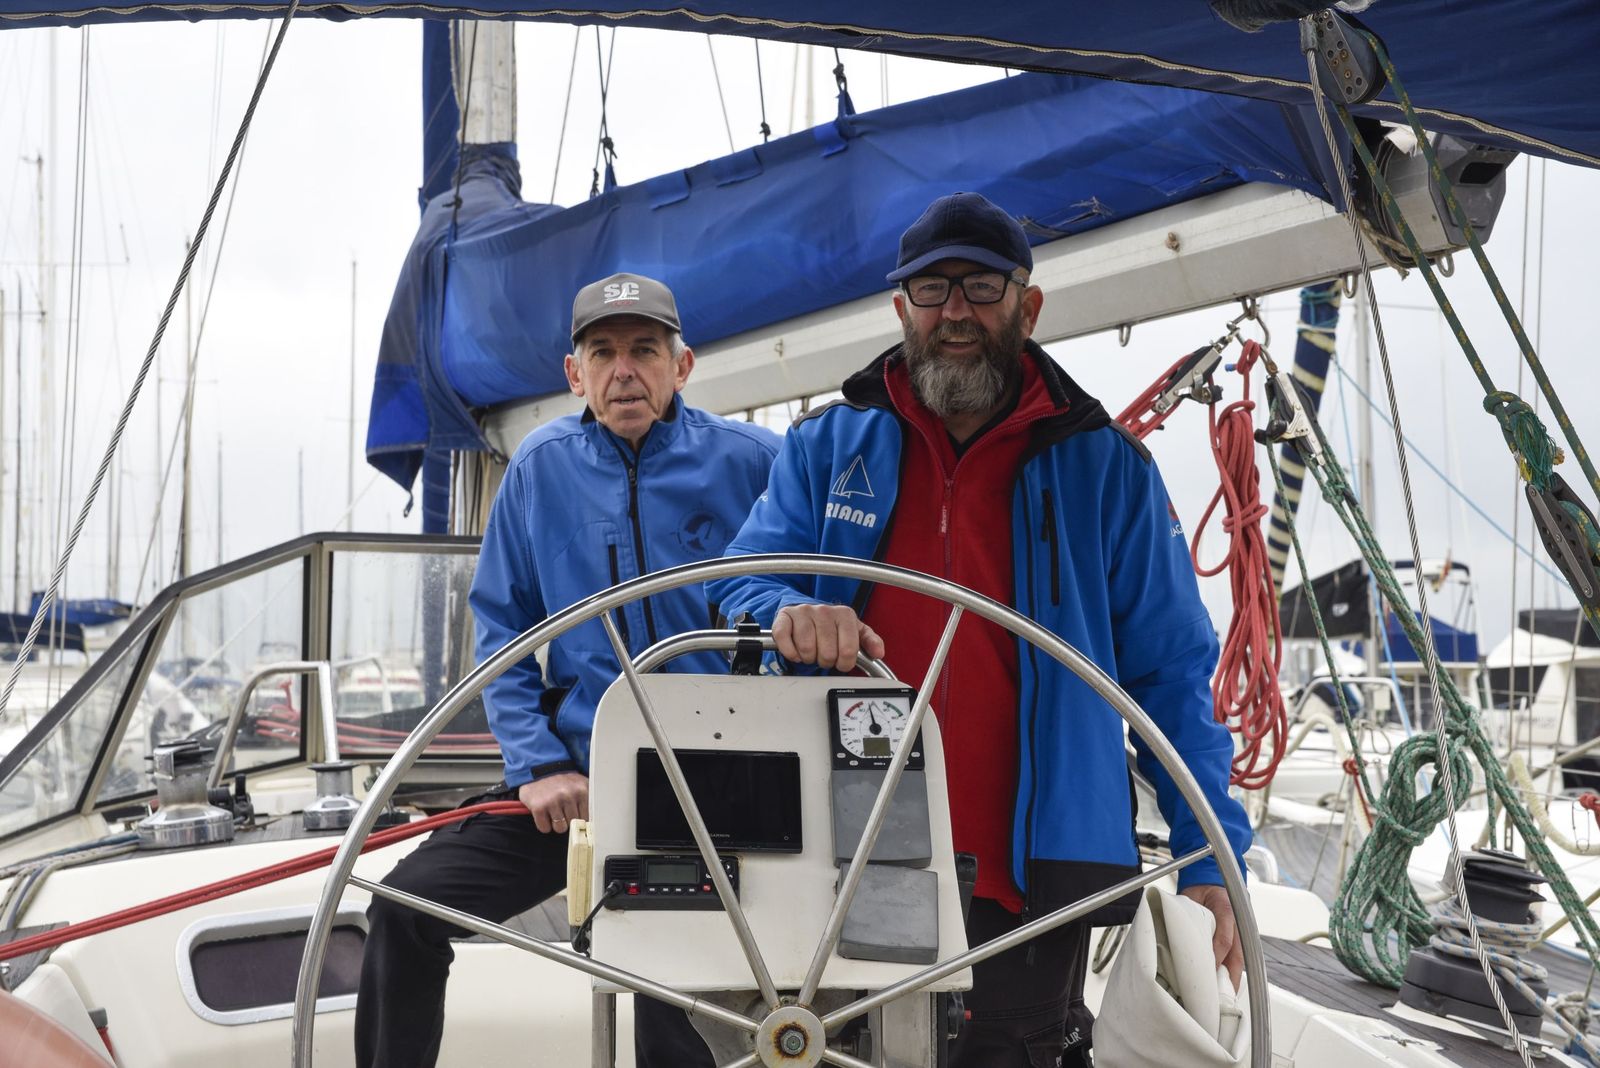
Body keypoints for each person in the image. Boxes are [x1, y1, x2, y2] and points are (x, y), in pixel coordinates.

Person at [706, 193, 1252, 1067]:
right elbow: (740, 582)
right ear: (902, 308)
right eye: (932, 289)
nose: (955, 311)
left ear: (1028, 308)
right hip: (841, 857)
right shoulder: (825, 447)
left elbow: (1171, 675)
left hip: (1034, 877)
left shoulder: (1108, 468)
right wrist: (788, 612)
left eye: (982, 287)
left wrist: (1209, 857)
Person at [356, 273, 781, 1068]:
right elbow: (503, 630)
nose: (625, 371)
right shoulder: (538, 469)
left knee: (667, 989)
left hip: (724, 785)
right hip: (587, 779)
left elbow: (811, 597)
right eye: (603, 353)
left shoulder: (755, 461)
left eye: (645, 350)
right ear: (574, 374)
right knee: (405, 906)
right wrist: (539, 764)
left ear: (682, 366)